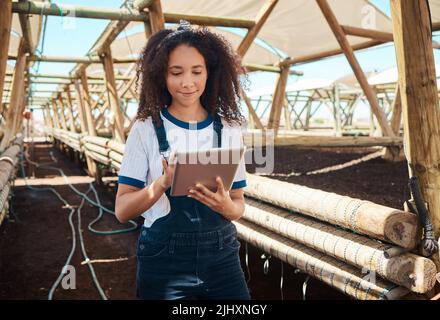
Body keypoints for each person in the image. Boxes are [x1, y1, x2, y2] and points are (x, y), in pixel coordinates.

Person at [115, 21, 250, 300]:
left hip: (222, 257)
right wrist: (162, 183)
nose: (187, 82)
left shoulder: (230, 129)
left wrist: (226, 205)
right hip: (164, 259)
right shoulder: (145, 129)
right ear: (160, 76)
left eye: (196, 72)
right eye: (176, 73)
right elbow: (122, 209)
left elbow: (238, 206)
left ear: (210, 73)